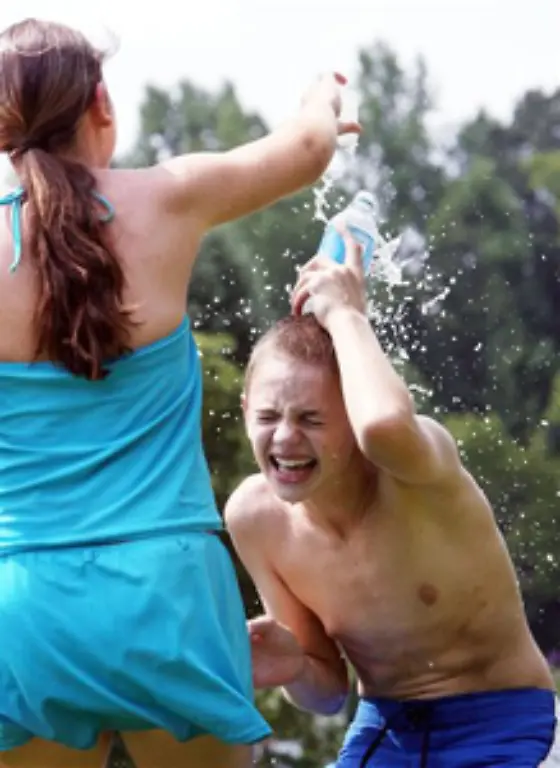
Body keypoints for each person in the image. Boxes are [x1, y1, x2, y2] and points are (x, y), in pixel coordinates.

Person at [0, 17, 360, 768]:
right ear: (103, 103)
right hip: (170, 597)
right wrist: (321, 95)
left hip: (24, 603)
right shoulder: (168, 199)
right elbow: (309, 148)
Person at [225, 232, 560, 766]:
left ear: (352, 419)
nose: (285, 439)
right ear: (245, 410)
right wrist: (293, 667)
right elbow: (328, 691)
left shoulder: (415, 472)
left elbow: (383, 424)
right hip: (387, 734)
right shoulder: (255, 517)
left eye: (311, 420)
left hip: (507, 725)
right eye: (267, 417)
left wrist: (346, 314)